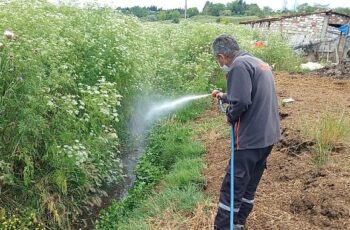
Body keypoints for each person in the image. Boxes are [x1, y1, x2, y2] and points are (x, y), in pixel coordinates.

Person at [211, 34, 281, 230]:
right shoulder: (258, 62)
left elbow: (241, 102)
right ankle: (239, 223)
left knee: (231, 187)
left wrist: (230, 116)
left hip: (250, 139)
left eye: (219, 60)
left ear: (222, 56)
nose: (220, 63)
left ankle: (224, 227)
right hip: (267, 137)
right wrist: (224, 96)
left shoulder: (238, 66)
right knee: (249, 186)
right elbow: (249, 93)